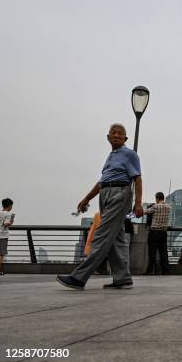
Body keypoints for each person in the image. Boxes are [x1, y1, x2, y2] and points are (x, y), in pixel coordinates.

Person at [56, 123, 142, 290]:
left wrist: (138, 203)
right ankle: (122, 278)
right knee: (116, 239)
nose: (116, 135)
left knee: (101, 234)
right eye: (113, 133)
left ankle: (78, 277)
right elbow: (102, 181)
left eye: (120, 134)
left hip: (120, 192)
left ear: (125, 138)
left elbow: (137, 179)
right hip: (106, 193)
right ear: (108, 137)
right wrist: (87, 198)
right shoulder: (111, 156)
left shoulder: (129, 154)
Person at [144, 192, 171, 275]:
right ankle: (165, 271)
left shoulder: (155, 206)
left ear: (157, 198)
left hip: (154, 232)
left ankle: (149, 271)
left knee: (152, 253)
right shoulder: (168, 207)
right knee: (163, 253)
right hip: (163, 233)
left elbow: (145, 212)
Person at [0, 198, 15, 276]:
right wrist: (11, 221)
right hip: (2, 235)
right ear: (10, 205)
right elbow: (6, 224)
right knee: (0, 254)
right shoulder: (8, 214)